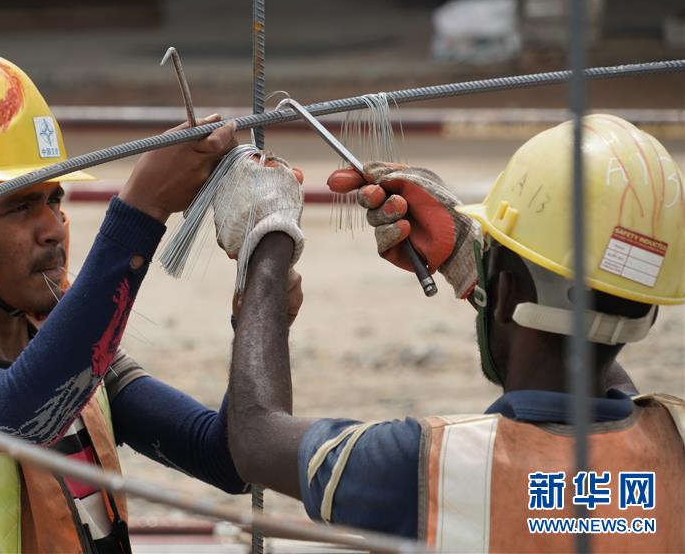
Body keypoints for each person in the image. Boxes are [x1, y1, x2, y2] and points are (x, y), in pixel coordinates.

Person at [0, 50, 285, 553]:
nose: (53, 228)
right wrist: (142, 206)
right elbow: (19, 413)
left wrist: (263, 289)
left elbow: (233, 459)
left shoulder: (80, 362)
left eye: (54, 200)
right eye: (19, 206)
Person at [218, 114, 684, 551]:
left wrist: (269, 235)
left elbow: (255, 437)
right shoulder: (669, 442)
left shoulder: (432, 465)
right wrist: (475, 264)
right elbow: (605, 363)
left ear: (504, 294)